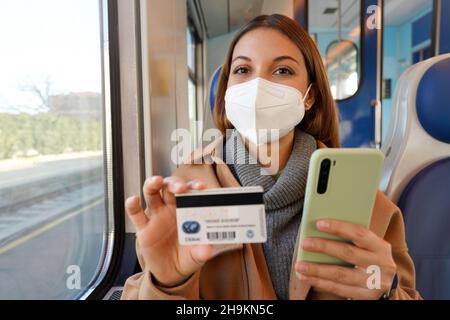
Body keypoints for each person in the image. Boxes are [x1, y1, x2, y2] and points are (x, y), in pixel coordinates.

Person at [121, 14, 421, 300]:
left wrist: (385, 292)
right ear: (226, 92)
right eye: (242, 70)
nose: (257, 86)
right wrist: (166, 284)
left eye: (282, 70)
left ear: (310, 96)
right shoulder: (183, 191)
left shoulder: (364, 200)